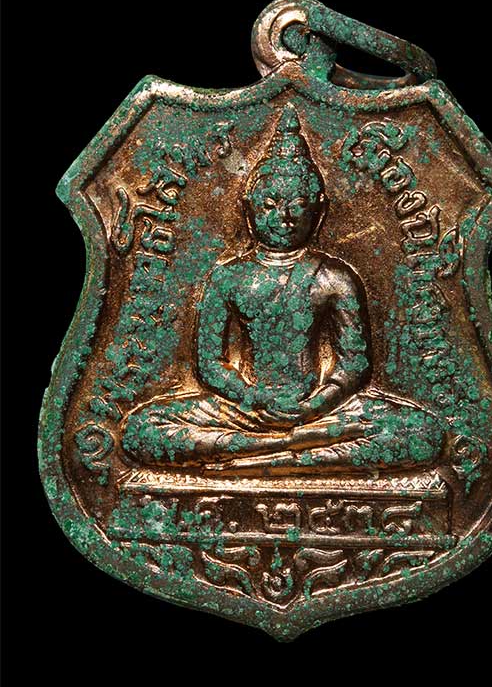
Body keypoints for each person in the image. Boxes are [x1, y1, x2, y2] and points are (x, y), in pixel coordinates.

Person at [122, 105, 444, 471]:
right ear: (249, 209)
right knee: (139, 430)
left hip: (322, 411)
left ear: (318, 211)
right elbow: (210, 364)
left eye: (297, 205)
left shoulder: (333, 277)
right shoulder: (228, 276)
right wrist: (252, 396)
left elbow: (353, 364)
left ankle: (258, 455)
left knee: (424, 433)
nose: (284, 217)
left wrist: (317, 404)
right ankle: (286, 449)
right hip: (244, 411)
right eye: (270, 205)